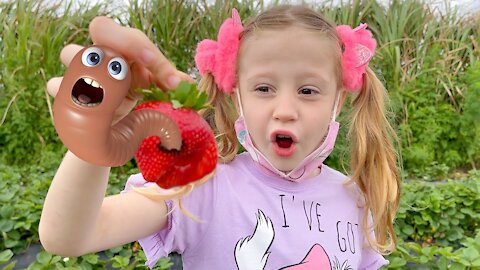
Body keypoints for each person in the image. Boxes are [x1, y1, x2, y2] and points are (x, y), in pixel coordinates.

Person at [39, 4, 400, 270]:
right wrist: (97, 131)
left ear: (338, 99)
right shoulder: (202, 188)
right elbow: (68, 237)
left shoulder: (353, 197)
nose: (285, 109)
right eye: (263, 88)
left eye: (308, 91)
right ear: (236, 95)